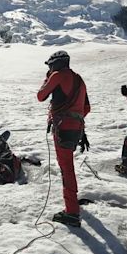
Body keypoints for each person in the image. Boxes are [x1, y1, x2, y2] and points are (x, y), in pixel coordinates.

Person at [37, 51, 90, 227]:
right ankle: (72, 204)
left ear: (55, 64)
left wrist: (48, 78)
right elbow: (86, 107)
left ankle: (72, 211)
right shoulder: (79, 79)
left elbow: (41, 96)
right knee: (68, 166)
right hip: (76, 128)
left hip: (63, 128)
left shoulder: (57, 75)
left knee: (66, 168)